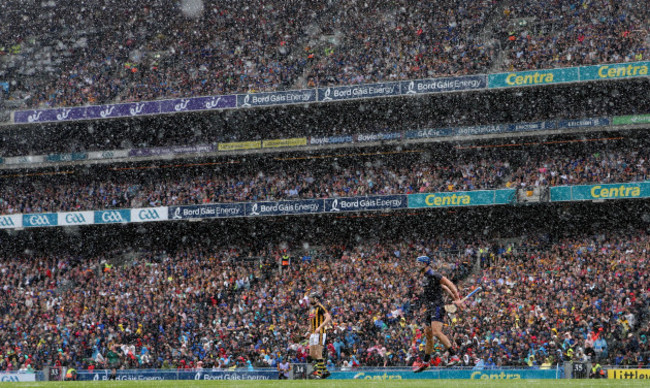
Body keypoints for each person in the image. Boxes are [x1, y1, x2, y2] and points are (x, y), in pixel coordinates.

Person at [412, 255, 463, 372]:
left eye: (419, 263)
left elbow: (449, 284)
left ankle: (454, 356)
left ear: (425, 264)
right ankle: (426, 362)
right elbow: (444, 287)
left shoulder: (434, 274)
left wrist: (457, 298)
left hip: (437, 306)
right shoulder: (424, 277)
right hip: (429, 308)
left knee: (436, 332)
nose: (417, 265)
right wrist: (453, 297)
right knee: (428, 335)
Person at [306, 291, 332, 379]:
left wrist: (320, 327)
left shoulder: (321, 307)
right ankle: (326, 371)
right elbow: (311, 321)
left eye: (311, 298)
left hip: (320, 332)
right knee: (312, 354)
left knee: (318, 352)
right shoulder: (312, 308)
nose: (310, 299)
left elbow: (328, 318)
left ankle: (319, 374)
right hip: (313, 332)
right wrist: (308, 332)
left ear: (316, 299)